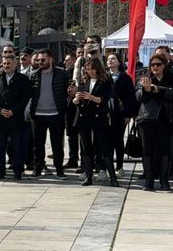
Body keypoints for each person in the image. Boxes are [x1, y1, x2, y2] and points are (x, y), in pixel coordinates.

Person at [72, 56, 116, 187]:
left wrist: (92, 97)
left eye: (92, 69)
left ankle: (112, 176)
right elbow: (77, 100)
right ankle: (88, 176)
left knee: (103, 147)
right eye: (87, 69)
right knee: (86, 148)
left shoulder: (105, 81)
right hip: (84, 117)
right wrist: (76, 99)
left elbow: (105, 99)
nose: (90, 71)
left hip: (99, 117)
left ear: (97, 69)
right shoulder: (83, 81)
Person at [0, 55, 32, 180]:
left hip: (16, 119)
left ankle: (18, 172)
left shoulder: (23, 79)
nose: (6, 66)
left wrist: (14, 111)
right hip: (0, 120)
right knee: (0, 148)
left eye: (9, 63)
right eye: (4, 64)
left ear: (15, 64)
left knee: (18, 147)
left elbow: (25, 98)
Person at [28, 48, 70, 179]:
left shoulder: (61, 74)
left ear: (50, 60)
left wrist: (64, 106)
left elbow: (67, 91)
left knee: (57, 145)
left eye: (42, 60)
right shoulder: (33, 75)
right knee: (37, 145)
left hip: (56, 114)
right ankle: (38, 168)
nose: (39, 62)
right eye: (38, 60)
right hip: (38, 115)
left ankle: (59, 170)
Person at [135, 53, 173, 191]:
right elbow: (138, 97)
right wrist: (146, 90)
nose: (155, 67)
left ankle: (164, 180)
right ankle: (149, 180)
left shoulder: (170, 78)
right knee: (147, 150)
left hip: (165, 119)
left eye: (158, 64)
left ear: (164, 65)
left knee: (165, 150)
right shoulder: (144, 77)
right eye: (152, 65)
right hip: (147, 119)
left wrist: (157, 89)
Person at [107, 53, 137, 178]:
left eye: (113, 59)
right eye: (108, 59)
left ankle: (119, 166)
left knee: (118, 140)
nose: (110, 61)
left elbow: (131, 98)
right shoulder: (104, 76)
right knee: (107, 141)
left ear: (119, 62)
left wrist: (128, 115)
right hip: (106, 114)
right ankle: (108, 167)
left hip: (120, 114)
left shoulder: (125, 78)